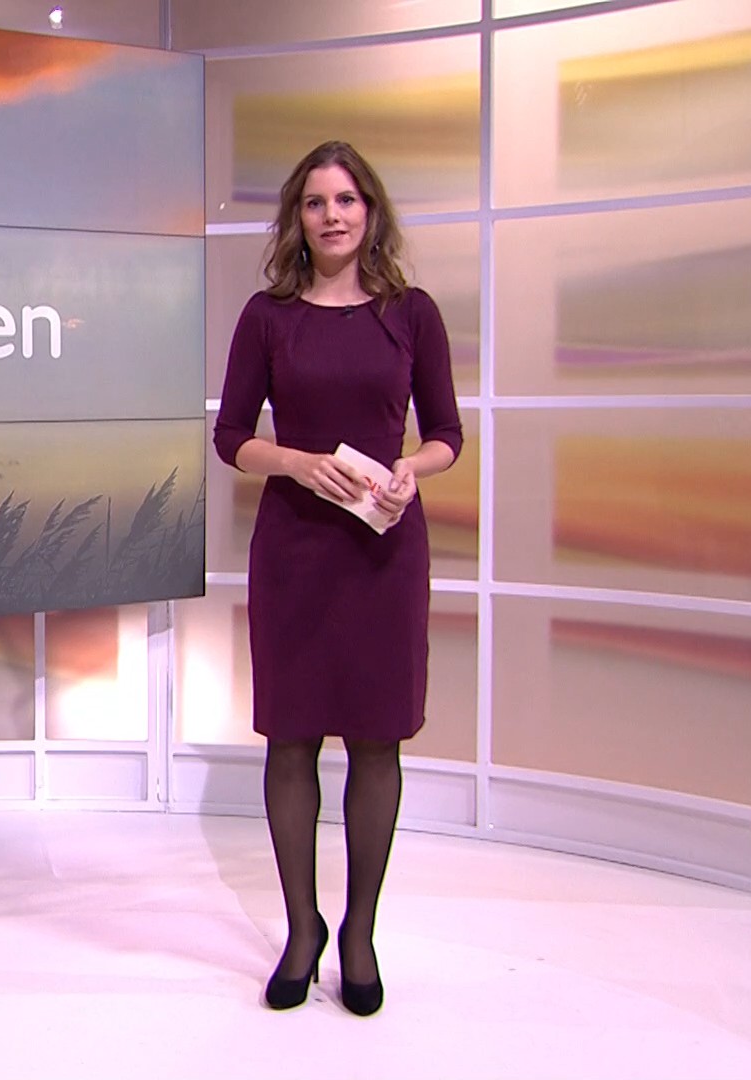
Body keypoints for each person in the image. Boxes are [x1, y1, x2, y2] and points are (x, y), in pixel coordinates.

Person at [212, 140, 463, 1016]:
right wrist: (296, 461)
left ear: (371, 211)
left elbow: (447, 434)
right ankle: (302, 930)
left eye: (347, 199)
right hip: (294, 553)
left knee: (376, 739)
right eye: (316, 201)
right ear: (298, 217)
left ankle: (359, 933)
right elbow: (231, 436)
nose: (332, 215)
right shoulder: (268, 316)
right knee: (290, 740)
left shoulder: (412, 314)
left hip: (382, 553)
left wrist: (411, 470)